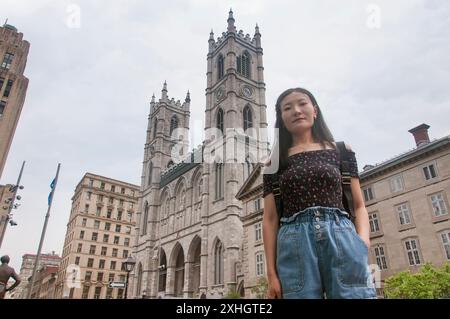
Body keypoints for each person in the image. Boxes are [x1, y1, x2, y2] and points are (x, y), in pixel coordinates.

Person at [262, 87, 376, 299]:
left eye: (302, 103)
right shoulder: (273, 162)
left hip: (342, 236)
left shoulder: (341, 151)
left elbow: (359, 205)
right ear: (282, 118)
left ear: (314, 110)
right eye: (287, 108)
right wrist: (271, 274)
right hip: (294, 243)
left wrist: (362, 243)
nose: (296, 110)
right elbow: (269, 219)